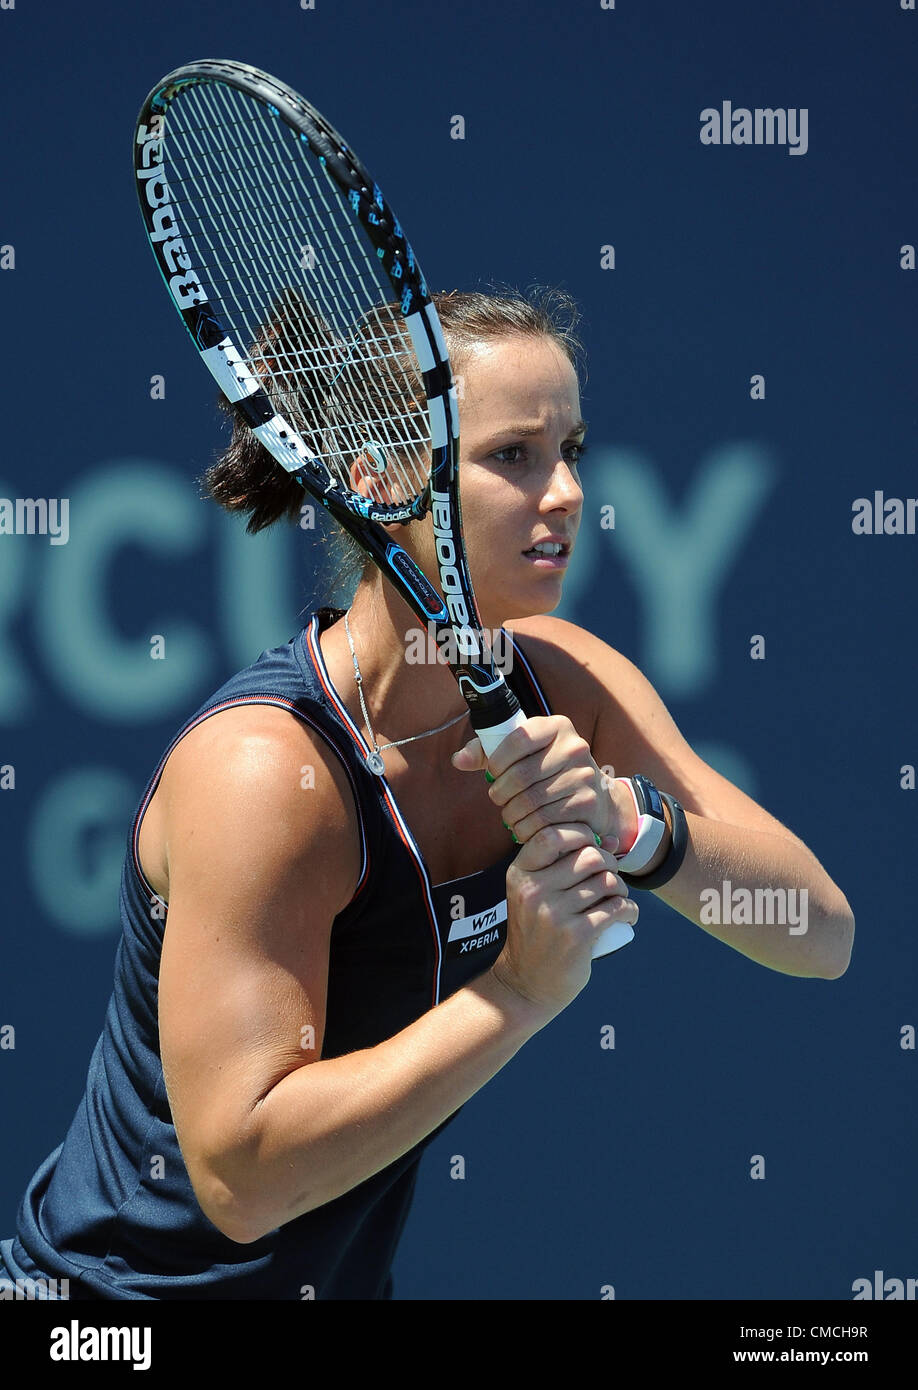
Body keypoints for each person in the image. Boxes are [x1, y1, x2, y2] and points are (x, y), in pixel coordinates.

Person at [0, 288, 854, 1301]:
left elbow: (820, 933)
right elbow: (242, 1177)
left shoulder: (568, 679)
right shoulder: (268, 773)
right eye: (514, 456)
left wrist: (632, 823)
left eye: (573, 448)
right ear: (377, 479)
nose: (569, 491)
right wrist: (520, 992)